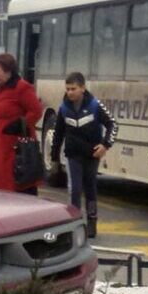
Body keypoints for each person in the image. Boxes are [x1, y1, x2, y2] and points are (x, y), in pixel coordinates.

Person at [50, 72, 117, 239]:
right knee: (75, 189)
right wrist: (54, 157)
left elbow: (112, 124)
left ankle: (92, 221)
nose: (70, 92)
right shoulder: (64, 108)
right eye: (67, 89)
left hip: (92, 154)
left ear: (82, 88)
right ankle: (74, 223)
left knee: (90, 188)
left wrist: (106, 145)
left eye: (73, 89)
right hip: (73, 155)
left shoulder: (94, 105)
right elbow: (58, 134)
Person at [0, 53, 43, 195]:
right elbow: (1, 111)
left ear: (8, 70)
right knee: (1, 185)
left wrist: (20, 124)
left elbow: (36, 111)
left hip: (16, 147)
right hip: (0, 145)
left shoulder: (22, 88)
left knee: (16, 182)